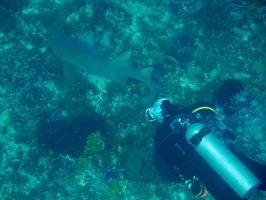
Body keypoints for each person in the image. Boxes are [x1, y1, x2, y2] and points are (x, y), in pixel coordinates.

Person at [146, 79, 266, 200]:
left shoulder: (162, 134)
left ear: (160, 118)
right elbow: (227, 93)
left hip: (204, 172)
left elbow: (165, 173)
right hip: (224, 156)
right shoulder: (191, 112)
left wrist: (187, 179)